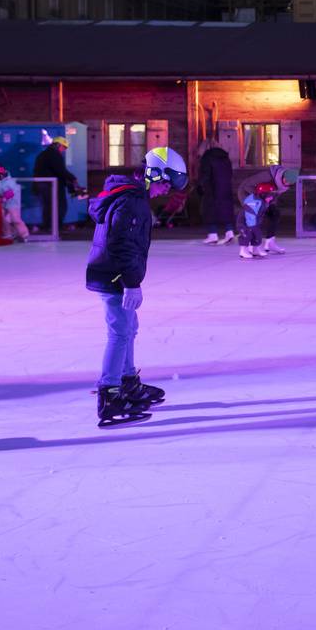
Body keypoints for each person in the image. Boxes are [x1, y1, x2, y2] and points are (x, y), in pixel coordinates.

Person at [85, 146, 186, 428]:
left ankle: (127, 383)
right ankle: (110, 395)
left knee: (129, 329)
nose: (165, 191)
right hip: (114, 277)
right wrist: (131, 284)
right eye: (165, 184)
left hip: (113, 274)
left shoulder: (133, 196)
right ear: (153, 175)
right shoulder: (132, 201)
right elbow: (121, 244)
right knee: (119, 333)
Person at [33, 135, 81, 226]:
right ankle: (56, 227)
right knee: (60, 206)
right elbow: (60, 170)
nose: (64, 150)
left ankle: (48, 227)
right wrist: (73, 178)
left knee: (48, 206)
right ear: (58, 145)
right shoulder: (54, 155)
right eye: (64, 147)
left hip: (43, 185)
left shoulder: (43, 154)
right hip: (51, 185)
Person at [197, 143, 237, 245]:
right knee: (226, 209)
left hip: (212, 189)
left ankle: (212, 234)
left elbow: (205, 174)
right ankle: (229, 232)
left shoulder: (207, 158)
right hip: (225, 188)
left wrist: (200, 186)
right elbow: (230, 173)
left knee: (210, 210)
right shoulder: (225, 159)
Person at [0, 165, 29, 242]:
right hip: (1, 203)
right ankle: (8, 233)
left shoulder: (9, 182)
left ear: (1, 176)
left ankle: (24, 234)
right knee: (1, 217)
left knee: (15, 219)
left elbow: (11, 193)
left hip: (12, 202)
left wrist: (4, 198)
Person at [237, 181, 274, 259]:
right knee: (246, 235)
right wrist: (253, 226)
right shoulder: (254, 202)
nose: (271, 198)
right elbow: (250, 214)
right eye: (269, 195)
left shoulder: (262, 202)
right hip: (245, 223)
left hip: (253, 223)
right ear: (263, 194)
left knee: (257, 235)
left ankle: (255, 250)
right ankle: (243, 251)